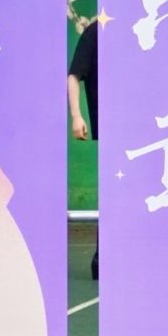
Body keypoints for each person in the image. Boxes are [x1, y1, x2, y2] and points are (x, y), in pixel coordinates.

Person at [68, 18, 100, 280]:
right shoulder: (95, 31)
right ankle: (103, 258)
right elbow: (74, 75)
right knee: (112, 199)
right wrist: (77, 115)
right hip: (112, 132)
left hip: (145, 132)